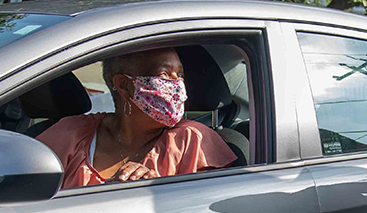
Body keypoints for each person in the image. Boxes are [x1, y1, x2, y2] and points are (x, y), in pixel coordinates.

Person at [37, 47, 236, 188]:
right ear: (123, 85)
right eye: (165, 74)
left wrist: (160, 190)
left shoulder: (193, 140)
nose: (178, 84)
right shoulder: (71, 133)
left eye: (180, 75)